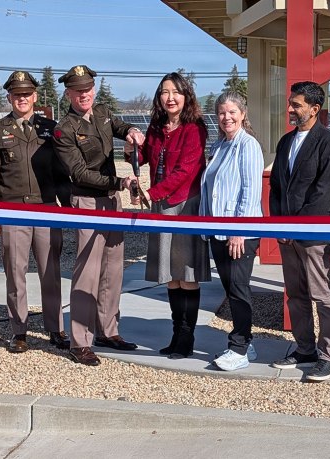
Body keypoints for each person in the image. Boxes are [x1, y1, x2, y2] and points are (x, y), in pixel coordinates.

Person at [53, 65, 145, 366]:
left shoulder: (103, 112)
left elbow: (118, 126)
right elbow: (79, 173)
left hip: (111, 201)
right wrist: (120, 182)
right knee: (88, 272)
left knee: (113, 269)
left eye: (88, 89)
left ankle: (108, 330)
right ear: (68, 93)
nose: (85, 95)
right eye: (79, 91)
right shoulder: (64, 129)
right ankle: (80, 341)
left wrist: (131, 131)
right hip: (88, 201)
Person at [0, 71, 71, 353]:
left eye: (26, 94)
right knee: (15, 273)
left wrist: (67, 207)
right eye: (16, 95)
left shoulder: (50, 127)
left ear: (35, 97)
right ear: (9, 97)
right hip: (13, 209)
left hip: (46, 209)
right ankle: (19, 330)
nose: (22, 99)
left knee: (50, 272)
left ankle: (55, 328)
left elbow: (61, 171)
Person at [268, 81, 330, 382]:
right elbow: (275, 187)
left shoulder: (329, 142)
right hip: (287, 234)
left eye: (296, 105)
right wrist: (279, 224)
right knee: (295, 294)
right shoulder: (286, 142)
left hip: (313, 235)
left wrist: (297, 227)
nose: (290, 109)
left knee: (322, 294)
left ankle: (329, 356)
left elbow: (323, 193)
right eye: (290, 103)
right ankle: (304, 348)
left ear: (314, 109)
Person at [133, 72, 210, 359]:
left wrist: (152, 193)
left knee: (187, 275)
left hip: (184, 205)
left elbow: (185, 172)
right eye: (165, 92)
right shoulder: (156, 127)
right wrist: (133, 145)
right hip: (161, 207)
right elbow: (145, 156)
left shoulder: (195, 128)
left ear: (186, 95)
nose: (170, 97)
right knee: (171, 277)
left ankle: (187, 337)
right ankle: (176, 332)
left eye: (176, 91)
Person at [200, 91, 263, 371]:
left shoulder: (248, 146)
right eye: (222, 113)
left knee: (239, 289)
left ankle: (238, 348)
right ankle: (245, 339)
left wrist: (240, 230)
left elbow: (250, 191)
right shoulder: (219, 145)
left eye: (232, 112)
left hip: (239, 233)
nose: (226, 117)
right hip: (217, 230)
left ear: (242, 114)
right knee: (229, 288)